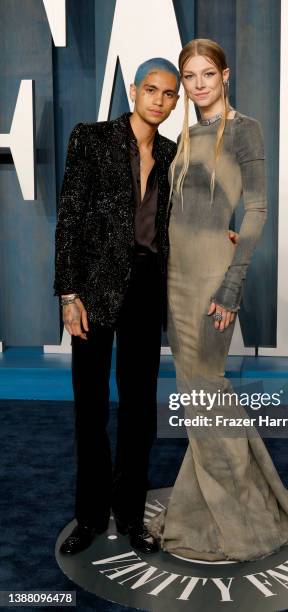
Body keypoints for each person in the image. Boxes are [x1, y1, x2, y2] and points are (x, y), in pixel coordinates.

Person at [146, 38, 288, 562]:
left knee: (207, 394)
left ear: (225, 75)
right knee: (198, 401)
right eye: (188, 77)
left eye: (206, 75)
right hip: (176, 279)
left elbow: (257, 212)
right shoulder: (184, 135)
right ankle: (212, 507)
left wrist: (232, 285)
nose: (197, 86)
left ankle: (242, 519)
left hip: (215, 278)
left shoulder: (244, 131)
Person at [54, 57, 180, 555]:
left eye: (170, 94)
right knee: (90, 407)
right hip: (92, 287)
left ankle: (129, 515)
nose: (160, 99)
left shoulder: (173, 154)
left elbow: (181, 226)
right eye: (152, 89)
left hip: (147, 287)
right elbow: (69, 217)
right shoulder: (91, 138)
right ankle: (89, 516)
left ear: (175, 102)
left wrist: (225, 238)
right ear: (133, 90)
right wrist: (69, 293)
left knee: (138, 409)